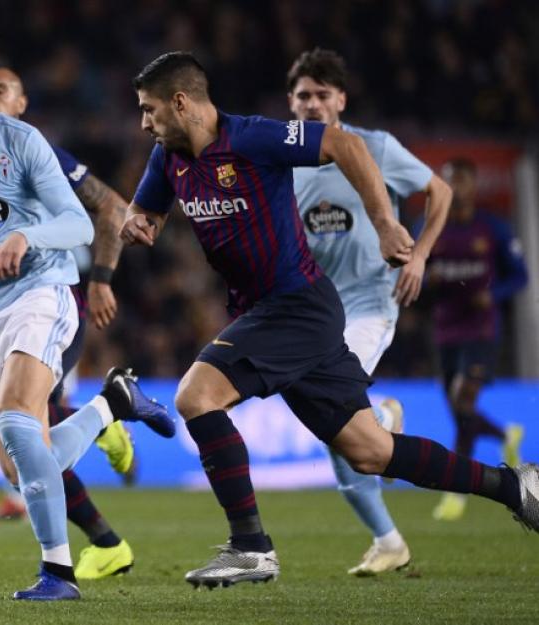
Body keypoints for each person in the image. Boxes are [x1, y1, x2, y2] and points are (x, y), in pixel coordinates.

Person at [120, 51, 539, 589]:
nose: (144, 122)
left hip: (294, 307)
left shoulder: (252, 137)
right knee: (371, 451)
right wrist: (139, 222)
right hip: (280, 313)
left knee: (196, 396)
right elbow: (146, 211)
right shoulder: (168, 158)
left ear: (181, 103)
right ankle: (514, 487)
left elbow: (347, 145)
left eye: (149, 109)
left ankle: (250, 547)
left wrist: (385, 224)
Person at [0, 19, 176, 601]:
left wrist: (27, 236)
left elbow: (80, 222)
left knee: (18, 420)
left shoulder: (24, 142)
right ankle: (113, 405)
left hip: (39, 293)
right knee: (19, 463)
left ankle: (59, 573)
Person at [286, 48, 452, 575]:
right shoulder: (285, 160)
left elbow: (440, 191)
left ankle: (381, 423)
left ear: (341, 100)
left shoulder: (375, 147)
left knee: (336, 413)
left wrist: (419, 257)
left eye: (322, 95)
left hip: (369, 305)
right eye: (303, 96)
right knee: (333, 431)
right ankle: (388, 540)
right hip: (315, 311)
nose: (312, 104)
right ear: (291, 103)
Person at [0, 61, 137, 580]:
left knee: (28, 429)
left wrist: (102, 280)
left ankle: (104, 417)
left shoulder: (37, 152)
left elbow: (112, 208)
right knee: (22, 450)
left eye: (0, 89)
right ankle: (103, 423)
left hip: (50, 299)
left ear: (22, 103)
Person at [426, 157, 529, 521]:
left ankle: (456, 492)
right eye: (449, 180)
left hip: (481, 329)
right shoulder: (430, 227)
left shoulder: (493, 228)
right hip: (445, 329)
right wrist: (426, 279)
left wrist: (493, 294)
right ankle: (505, 436)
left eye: (461, 181)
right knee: (460, 411)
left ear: (473, 185)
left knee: (462, 397)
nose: (455, 188)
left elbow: (520, 276)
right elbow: (413, 271)